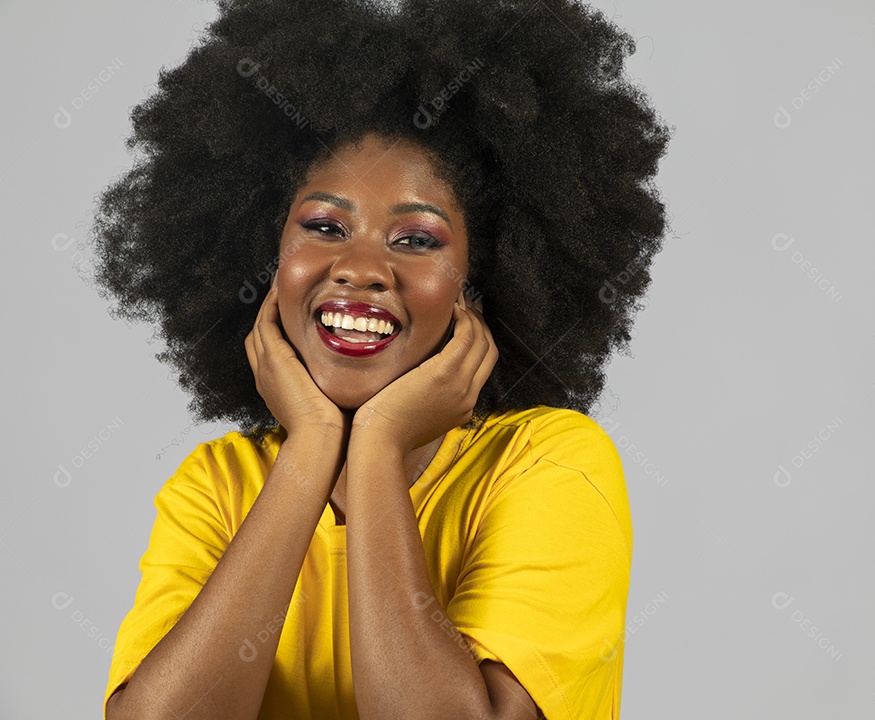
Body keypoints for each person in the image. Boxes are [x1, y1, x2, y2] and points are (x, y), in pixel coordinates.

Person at [92, 0, 668, 718]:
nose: (359, 268)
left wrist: (377, 446)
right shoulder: (217, 487)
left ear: (482, 286)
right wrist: (312, 445)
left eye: (416, 239)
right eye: (325, 226)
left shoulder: (550, 463)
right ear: (265, 258)